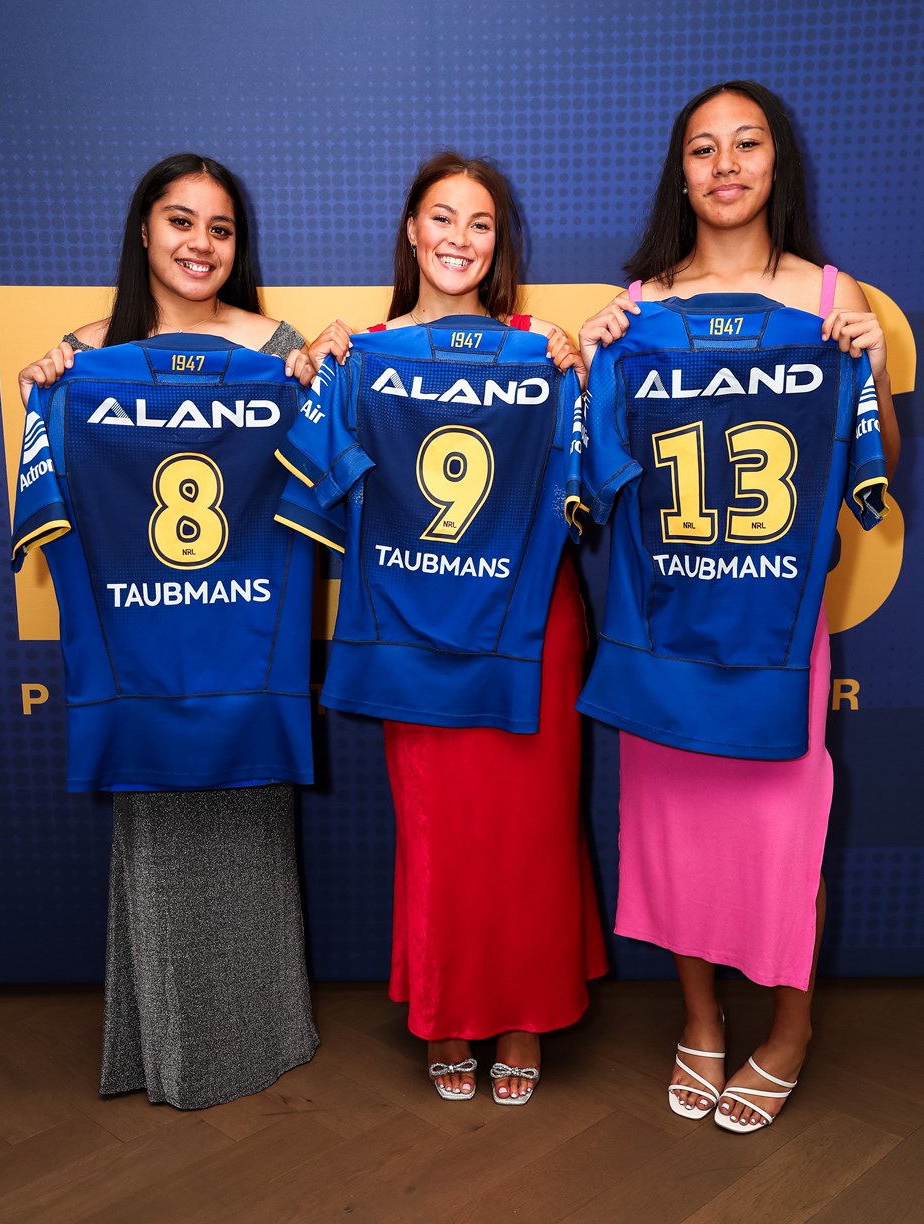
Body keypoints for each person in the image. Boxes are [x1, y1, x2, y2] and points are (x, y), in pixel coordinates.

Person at [579, 81, 899, 1133]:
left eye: (745, 144)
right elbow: (590, 472)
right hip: (662, 627)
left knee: (783, 836)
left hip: (773, 631)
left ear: (775, 162)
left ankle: (791, 1030)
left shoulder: (830, 297)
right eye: (703, 148)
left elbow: (878, 468)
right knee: (676, 833)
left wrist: (869, 364)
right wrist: (589, 362)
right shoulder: (637, 309)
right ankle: (701, 1017)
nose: (724, 165)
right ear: (680, 173)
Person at [18, 152, 322, 1109]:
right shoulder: (82, 357)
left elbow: (331, 468)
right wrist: (43, 393)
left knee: (251, 843)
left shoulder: (279, 350)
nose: (201, 244)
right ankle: (168, 1054)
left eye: (220, 229)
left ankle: (268, 1034)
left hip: (242, 660)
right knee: (158, 849)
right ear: (144, 229)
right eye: (181, 221)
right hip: (147, 667)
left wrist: (326, 381)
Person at [315, 151, 608, 1105]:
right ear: (411, 230)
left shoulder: (541, 347)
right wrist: (318, 372)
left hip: (528, 624)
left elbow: (596, 481)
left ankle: (525, 1014)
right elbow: (307, 481)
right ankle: (447, 1010)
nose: (459, 239)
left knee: (531, 825)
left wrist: (583, 373)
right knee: (438, 827)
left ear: (500, 242)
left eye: (480, 223)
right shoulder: (360, 353)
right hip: (414, 623)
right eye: (442, 217)